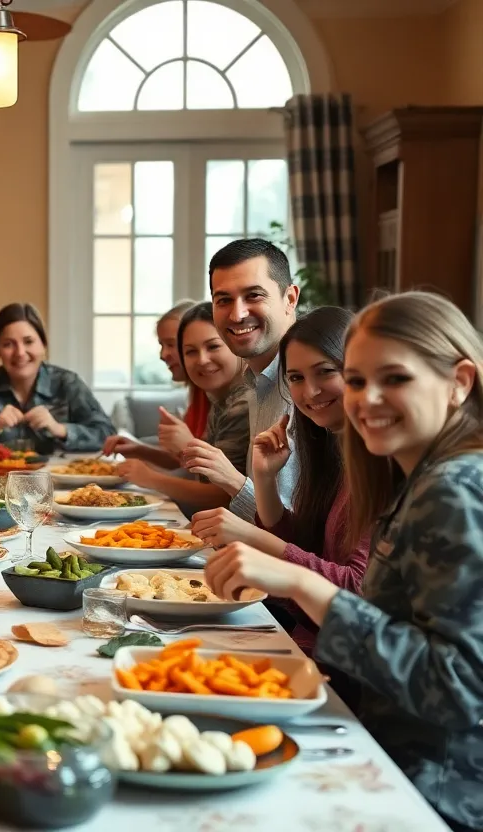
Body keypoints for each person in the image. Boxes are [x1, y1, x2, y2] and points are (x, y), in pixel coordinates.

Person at [204, 292, 483, 832]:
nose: (366, 399)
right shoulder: (415, 475)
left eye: (395, 379)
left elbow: (461, 688)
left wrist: (307, 586)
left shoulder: (455, 488)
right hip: (388, 750)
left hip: (433, 791)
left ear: (460, 381)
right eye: (355, 380)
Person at [187, 306, 369, 658]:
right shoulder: (333, 451)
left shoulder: (379, 468)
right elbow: (306, 547)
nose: (310, 391)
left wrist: (247, 535)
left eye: (325, 372)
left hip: (337, 661)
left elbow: (354, 589)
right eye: (296, 378)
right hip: (306, 640)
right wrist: (265, 479)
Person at [184, 239, 300, 520]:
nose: (237, 314)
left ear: (290, 299)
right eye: (224, 300)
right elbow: (269, 521)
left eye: (254, 295)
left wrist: (231, 481)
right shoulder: (255, 381)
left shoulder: (310, 386)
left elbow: (302, 532)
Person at [116, 302, 250, 511]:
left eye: (213, 346)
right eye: (190, 351)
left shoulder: (239, 403)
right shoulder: (216, 397)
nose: (202, 359)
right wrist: (142, 451)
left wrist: (152, 477)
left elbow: (220, 494)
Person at [0, 303, 114, 453]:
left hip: (61, 481)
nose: (20, 353)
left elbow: (107, 434)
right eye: (8, 344)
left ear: (43, 344)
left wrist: (60, 429)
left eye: (28, 342)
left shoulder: (68, 382)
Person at [105, 299, 209, 466]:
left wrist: (150, 478)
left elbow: (214, 484)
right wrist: (138, 449)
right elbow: (182, 460)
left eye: (171, 344)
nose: (162, 354)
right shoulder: (196, 393)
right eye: (162, 345)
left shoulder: (215, 394)